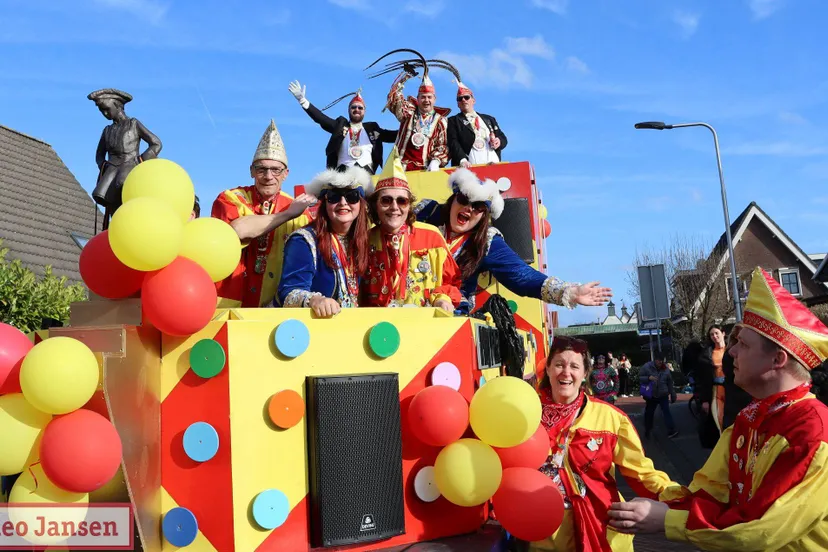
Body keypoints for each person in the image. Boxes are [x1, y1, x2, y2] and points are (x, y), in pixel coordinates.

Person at [608, 267, 828, 551]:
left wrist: (667, 520)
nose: (732, 351)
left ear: (778, 359)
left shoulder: (811, 432)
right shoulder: (750, 419)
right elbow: (708, 493)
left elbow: (758, 527)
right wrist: (657, 504)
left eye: (743, 345)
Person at [505, 335, 677, 551]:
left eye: (574, 366)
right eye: (559, 364)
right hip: (543, 537)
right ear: (547, 369)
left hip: (600, 532)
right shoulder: (525, 416)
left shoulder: (611, 419)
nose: (566, 372)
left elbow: (642, 474)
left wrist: (680, 498)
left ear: (585, 374)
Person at [416, 167, 612, 313]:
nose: (469, 209)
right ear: (453, 200)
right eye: (464, 200)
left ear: (484, 216)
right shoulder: (425, 214)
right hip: (404, 303)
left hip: (450, 315)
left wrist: (569, 292)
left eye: (478, 207)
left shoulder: (487, 243)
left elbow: (522, 276)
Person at [211, 119, 315, 308]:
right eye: (262, 169)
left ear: (286, 174)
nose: (268, 176)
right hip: (228, 301)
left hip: (272, 307)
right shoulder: (230, 198)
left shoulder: (300, 211)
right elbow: (237, 230)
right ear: (252, 171)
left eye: (276, 170)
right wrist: (286, 215)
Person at [361, 148, 461, 311]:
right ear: (375, 205)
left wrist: (442, 300)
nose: (394, 207)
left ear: (409, 206)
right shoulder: (365, 240)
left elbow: (451, 281)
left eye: (402, 201)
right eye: (386, 200)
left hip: (422, 325)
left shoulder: (432, 236)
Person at [276, 166, 372, 317]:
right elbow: (288, 292)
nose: (343, 202)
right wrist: (315, 300)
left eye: (352, 196)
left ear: (361, 203)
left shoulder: (365, 241)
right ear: (324, 203)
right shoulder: (304, 241)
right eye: (334, 196)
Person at [88, 88, 162, 229]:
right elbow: (99, 154)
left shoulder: (133, 124)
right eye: (102, 111)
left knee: (126, 195)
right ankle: (117, 229)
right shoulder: (107, 130)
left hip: (129, 167)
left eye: (107, 109)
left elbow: (156, 143)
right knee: (111, 204)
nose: (105, 113)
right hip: (111, 171)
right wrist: (104, 165)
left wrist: (139, 161)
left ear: (117, 105)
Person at [288, 81, 397, 174]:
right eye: (353, 107)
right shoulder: (340, 126)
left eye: (360, 107)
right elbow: (321, 118)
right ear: (348, 110)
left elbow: (393, 136)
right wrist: (303, 101)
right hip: (342, 175)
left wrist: (412, 122)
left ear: (365, 111)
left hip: (367, 176)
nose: (357, 109)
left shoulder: (373, 129)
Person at [385, 63, 450, 172]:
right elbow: (393, 101)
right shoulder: (409, 113)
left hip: (424, 170)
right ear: (418, 99)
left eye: (429, 97)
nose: (426, 100)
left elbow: (442, 145)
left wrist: (436, 161)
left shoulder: (440, 121)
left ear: (434, 99)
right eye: (423, 97)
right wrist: (405, 77)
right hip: (399, 168)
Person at [446, 80, 507, 167]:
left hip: (493, 164)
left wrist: (499, 141)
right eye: (460, 99)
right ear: (458, 104)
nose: (463, 100)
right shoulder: (453, 121)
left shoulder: (489, 119)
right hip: (469, 165)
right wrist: (462, 160)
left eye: (466, 97)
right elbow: (453, 141)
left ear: (473, 100)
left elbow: (503, 137)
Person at [638, 353, 678, 438]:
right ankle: (648, 430)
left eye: (662, 361)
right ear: (655, 360)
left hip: (663, 394)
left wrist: (673, 393)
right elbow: (640, 377)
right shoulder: (647, 367)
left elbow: (670, 382)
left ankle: (671, 430)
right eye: (658, 360)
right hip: (652, 394)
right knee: (649, 412)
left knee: (666, 411)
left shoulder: (665, 369)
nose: (660, 362)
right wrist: (648, 378)